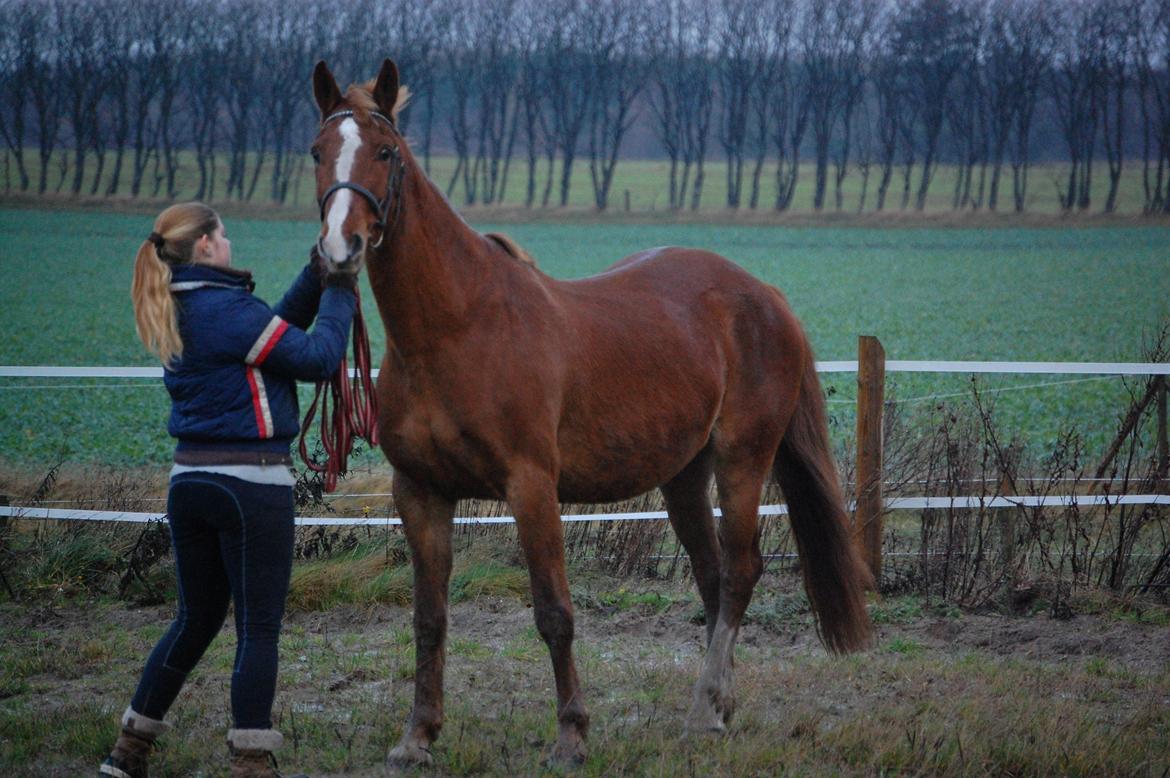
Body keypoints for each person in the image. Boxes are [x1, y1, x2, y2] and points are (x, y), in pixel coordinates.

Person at [100, 202, 359, 778]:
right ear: (207, 247)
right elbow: (315, 358)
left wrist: (316, 273)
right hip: (251, 485)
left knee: (195, 619)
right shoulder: (227, 310)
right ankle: (250, 761)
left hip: (188, 481)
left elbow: (271, 334)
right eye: (225, 234)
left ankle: (129, 749)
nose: (230, 241)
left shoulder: (183, 305)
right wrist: (342, 289)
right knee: (258, 627)